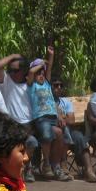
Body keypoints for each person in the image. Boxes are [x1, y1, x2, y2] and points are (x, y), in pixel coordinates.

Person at [27, 49, 72, 181]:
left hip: (52, 116)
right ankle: (46, 163)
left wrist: (51, 56)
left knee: (60, 134)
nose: (41, 75)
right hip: (41, 117)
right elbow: (30, 72)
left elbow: (49, 68)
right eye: (39, 74)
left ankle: (56, 166)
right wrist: (42, 64)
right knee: (47, 136)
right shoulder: (32, 86)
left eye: (43, 73)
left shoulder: (47, 84)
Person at [0, 54, 40, 182]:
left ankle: (28, 167)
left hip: (31, 124)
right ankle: (24, 168)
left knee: (37, 140)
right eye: (9, 69)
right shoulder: (7, 81)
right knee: (29, 141)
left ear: (24, 71)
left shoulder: (31, 84)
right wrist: (14, 56)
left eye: (15, 70)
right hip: (12, 126)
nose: (10, 73)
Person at [53, 77, 96, 183]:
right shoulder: (46, 102)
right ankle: (63, 163)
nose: (59, 88)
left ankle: (89, 170)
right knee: (62, 133)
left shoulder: (66, 102)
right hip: (54, 130)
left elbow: (72, 120)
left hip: (69, 130)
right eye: (55, 85)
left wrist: (61, 117)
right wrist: (63, 117)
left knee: (79, 137)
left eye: (61, 86)